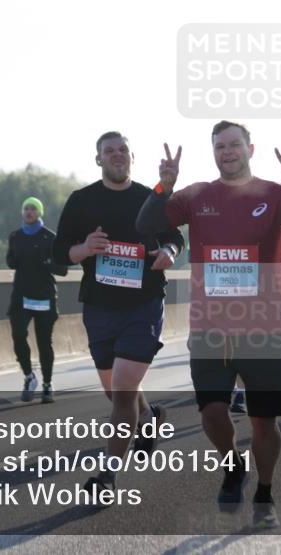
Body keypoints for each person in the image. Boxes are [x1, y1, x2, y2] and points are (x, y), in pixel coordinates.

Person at [136, 121, 281, 529]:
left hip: (264, 326)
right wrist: (163, 186)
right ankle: (232, 465)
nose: (228, 152)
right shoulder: (197, 196)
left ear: (250, 149)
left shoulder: (275, 196)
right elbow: (146, 226)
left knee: (263, 420)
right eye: (220, 146)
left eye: (234, 145)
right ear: (214, 152)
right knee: (211, 413)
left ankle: (265, 491)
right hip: (210, 326)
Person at [52, 131, 185, 496]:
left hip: (143, 304)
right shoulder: (82, 201)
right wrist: (83, 248)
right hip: (99, 306)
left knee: (124, 391)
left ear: (131, 156)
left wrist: (170, 252)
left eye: (122, 150)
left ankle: (107, 476)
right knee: (115, 392)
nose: (116, 155)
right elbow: (59, 253)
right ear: (98, 160)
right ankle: (149, 417)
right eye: (109, 151)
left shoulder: (148, 197)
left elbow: (175, 237)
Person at [7, 197, 68, 403]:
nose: (29, 212)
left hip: (43, 297)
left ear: (40, 212)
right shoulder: (15, 236)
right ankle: (29, 376)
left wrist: (46, 262)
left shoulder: (50, 238)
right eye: (26, 209)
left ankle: (48, 385)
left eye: (33, 209)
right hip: (21, 296)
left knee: (44, 343)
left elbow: (63, 269)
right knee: (18, 334)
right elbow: (10, 261)